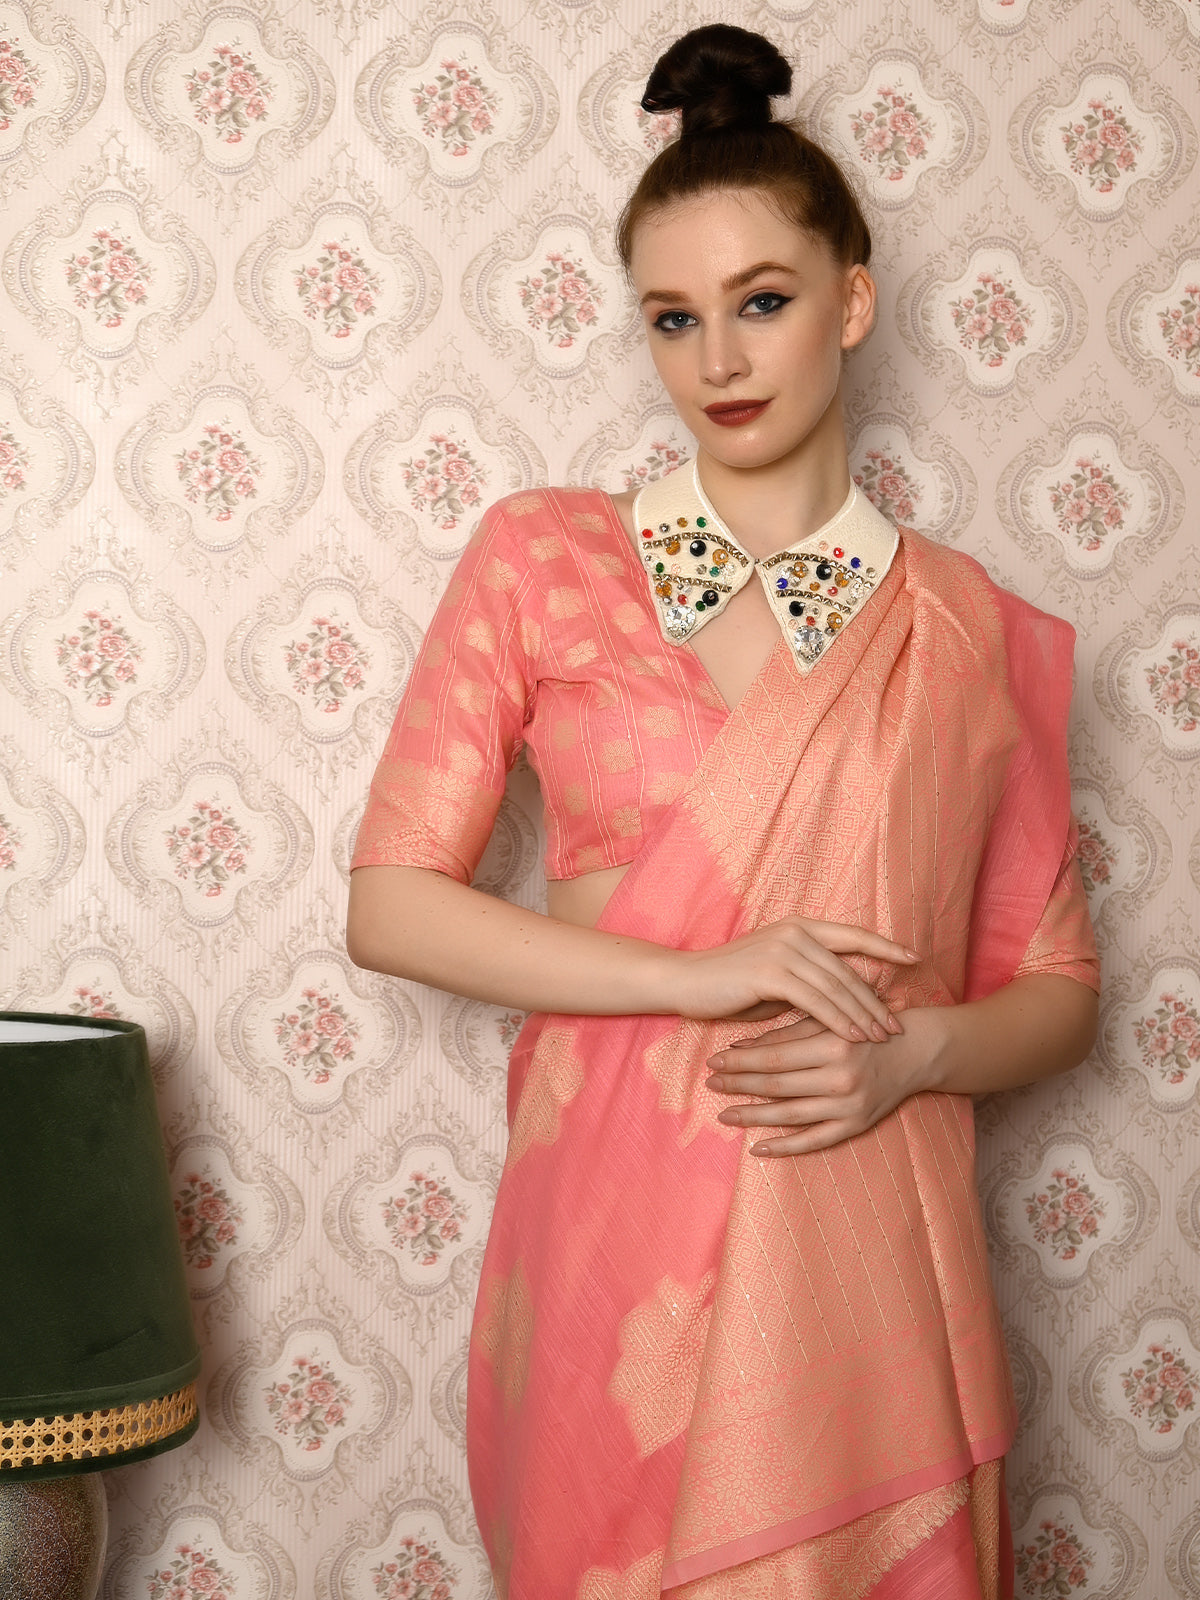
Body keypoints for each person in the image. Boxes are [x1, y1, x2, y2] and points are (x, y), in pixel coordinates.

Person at [347, 24, 1100, 1600]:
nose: (720, 362)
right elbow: (391, 904)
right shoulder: (546, 559)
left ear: (852, 303)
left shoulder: (959, 628)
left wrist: (914, 1056)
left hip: (861, 1244)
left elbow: (1058, 987)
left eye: (763, 301)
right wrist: (698, 975)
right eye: (673, 319)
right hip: (609, 1244)